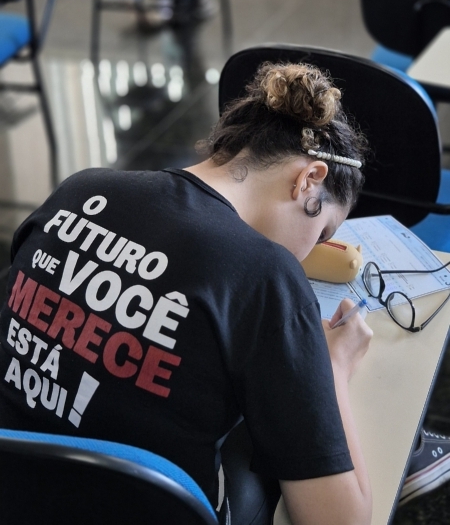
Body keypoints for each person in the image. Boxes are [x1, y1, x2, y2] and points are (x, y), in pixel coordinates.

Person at [0, 60, 373, 525]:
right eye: (322, 232)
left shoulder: (81, 189)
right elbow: (340, 521)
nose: (308, 253)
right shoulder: (266, 274)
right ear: (308, 179)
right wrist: (332, 368)